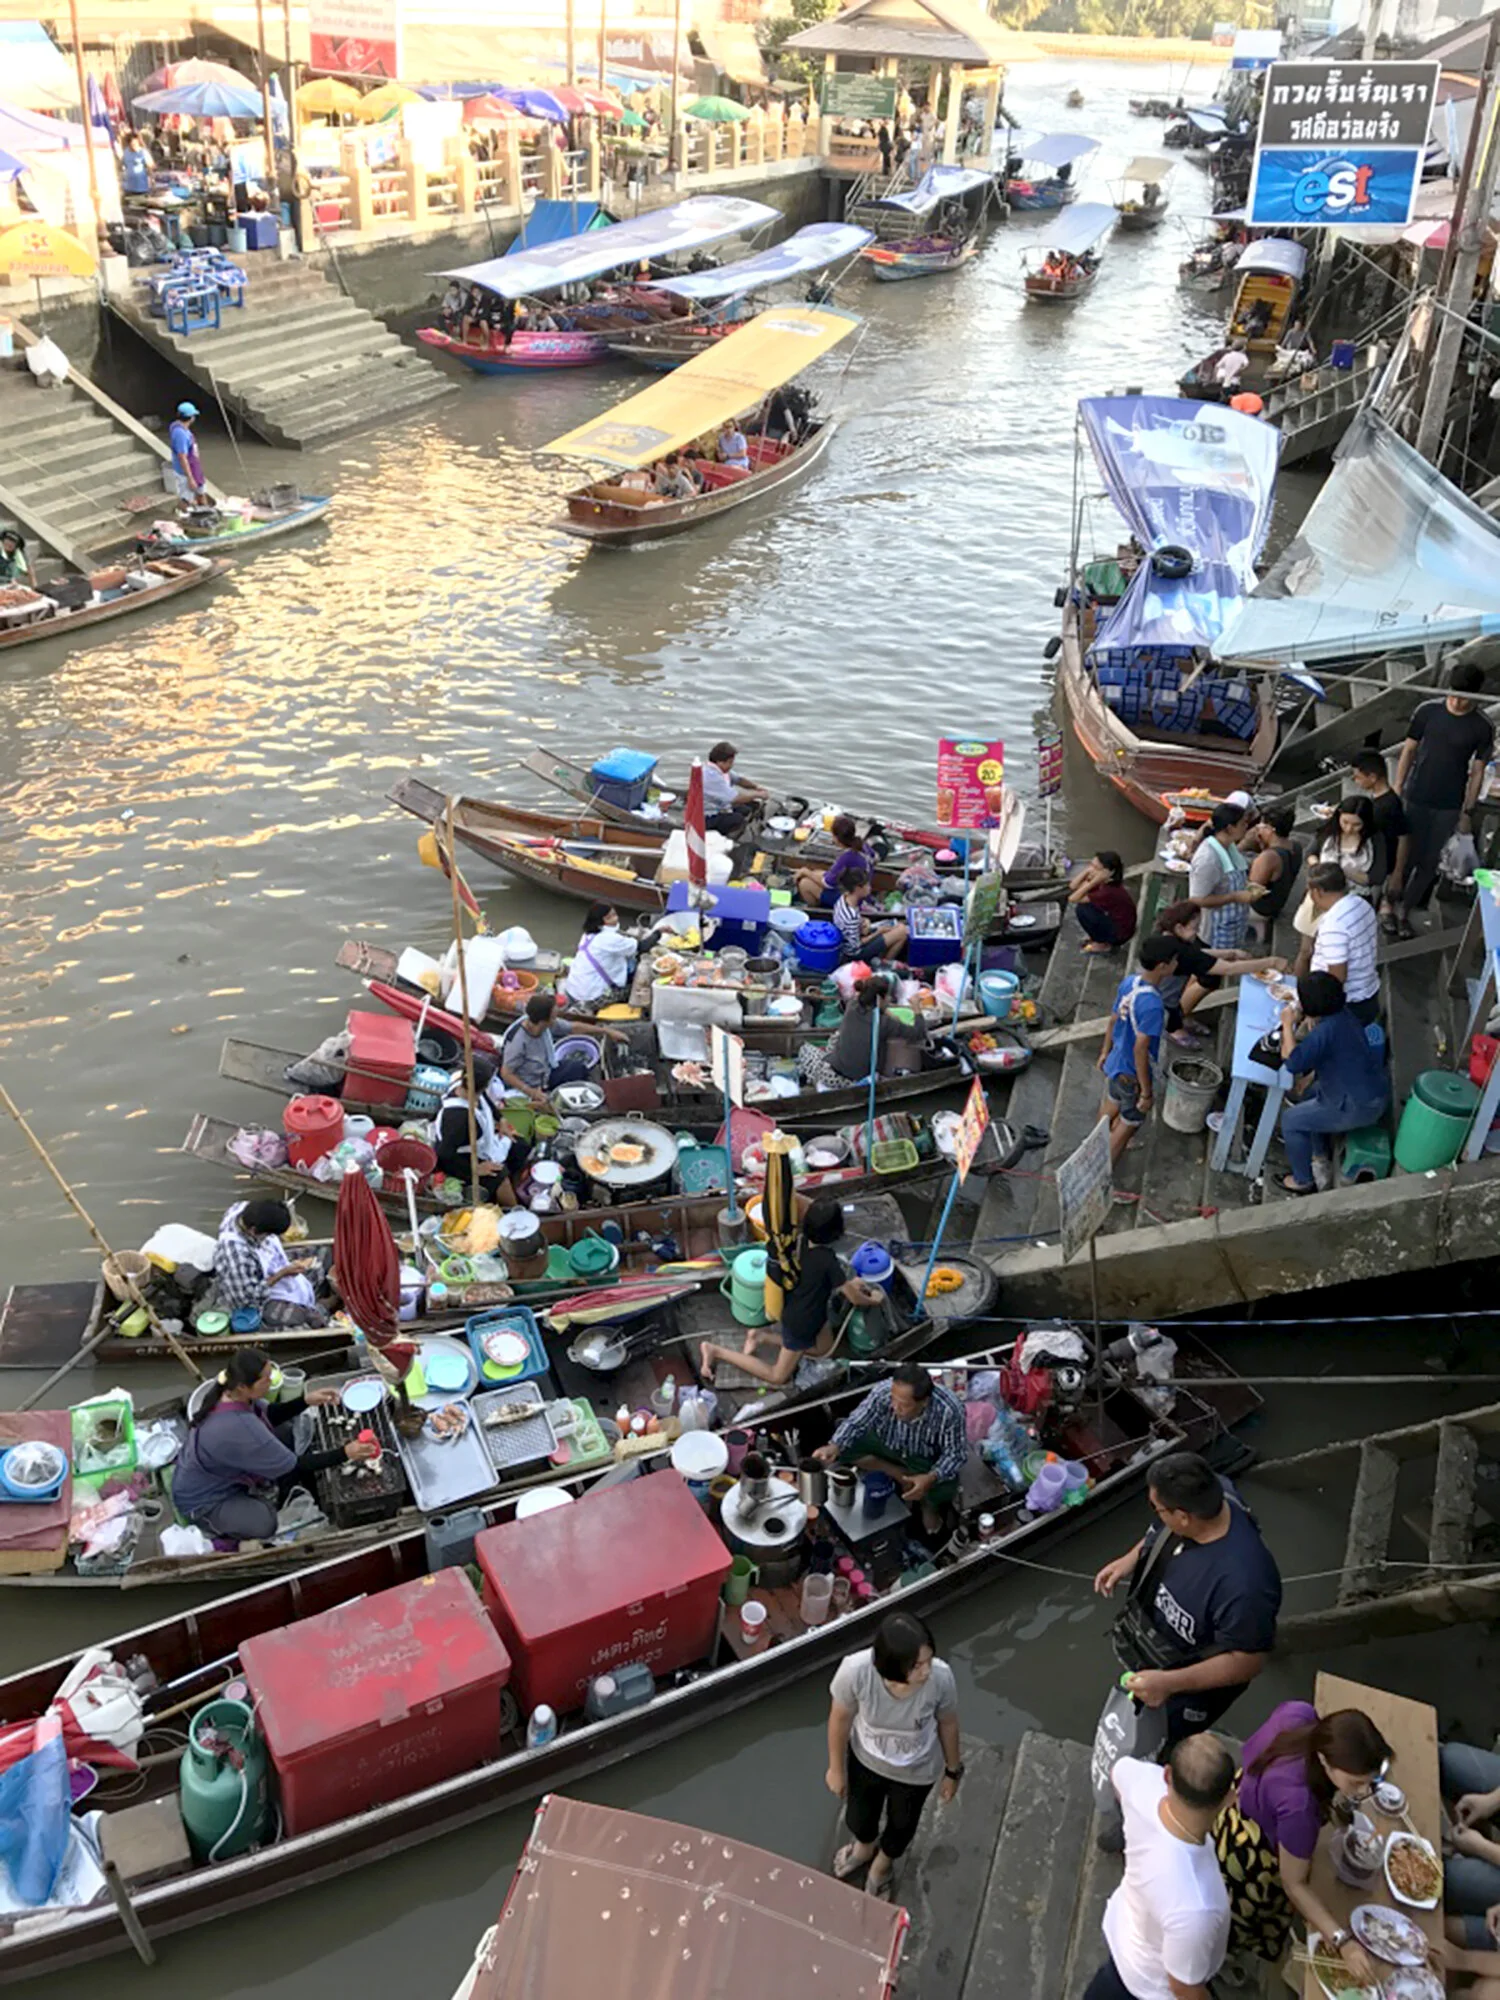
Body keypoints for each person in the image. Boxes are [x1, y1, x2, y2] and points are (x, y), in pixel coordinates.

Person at [1092, 1453, 1281, 1847]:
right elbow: (1153, 1534)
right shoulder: (1204, 1500)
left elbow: (1248, 1661)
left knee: (1163, 1752)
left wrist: (1170, 1684)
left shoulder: (1246, 1584)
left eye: (1158, 1508)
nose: (1155, 1514)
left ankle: (1148, 1822)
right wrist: (1130, 1561)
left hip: (1186, 1686)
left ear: (1183, 1518)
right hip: (1150, 1654)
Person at [1215, 1700, 1388, 1979]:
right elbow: (1293, 1884)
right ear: (1323, 1760)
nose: (1363, 1790)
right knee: (1234, 1921)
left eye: (1369, 1782)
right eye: (1356, 1783)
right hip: (1253, 1861)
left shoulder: (1300, 1714)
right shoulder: (1299, 1808)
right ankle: (1219, 1959)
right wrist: (1342, 1942)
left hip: (1236, 1810)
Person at [171, 1347, 378, 1543]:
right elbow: (295, 1465)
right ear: (244, 1386)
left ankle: (267, 1488)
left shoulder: (230, 1392)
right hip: (202, 1499)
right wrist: (345, 1453)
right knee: (266, 1523)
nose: (270, 1383)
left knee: (285, 1432)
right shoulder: (240, 1428)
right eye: (265, 1379)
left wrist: (306, 1401)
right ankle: (219, 1529)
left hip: (210, 1469)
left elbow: (270, 1414)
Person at [1086, 1734, 1234, 2000]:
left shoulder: (1143, 1785)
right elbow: (1184, 1988)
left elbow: (1117, 1772)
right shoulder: (1198, 1905)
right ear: (1228, 1800)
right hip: (1150, 1989)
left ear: (1167, 1776)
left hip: (1125, 1939)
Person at [826, 1612, 962, 1900]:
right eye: (916, 1666)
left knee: (902, 1826)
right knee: (860, 1817)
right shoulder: (855, 1672)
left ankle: (882, 1866)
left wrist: (952, 1770)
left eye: (928, 1661)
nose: (926, 1671)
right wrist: (835, 1768)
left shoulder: (941, 1678)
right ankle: (863, 1848)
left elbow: (948, 1722)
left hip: (917, 1772)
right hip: (866, 1762)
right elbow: (839, 1719)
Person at [698, 1194, 881, 1388]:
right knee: (778, 1376)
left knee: (824, 1349)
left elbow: (801, 1202)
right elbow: (854, 1298)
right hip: (801, 1322)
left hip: (804, 1307)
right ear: (835, 1231)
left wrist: (853, 1282)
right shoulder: (828, 1260)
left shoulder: (797, 1241)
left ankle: (762, 1336)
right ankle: (716, 1351)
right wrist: (875, 1300)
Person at [1386, 662, 1494, 939]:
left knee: (1430, 861)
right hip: (1416, 794)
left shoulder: (1482, 727)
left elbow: (1478, 771)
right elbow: (1409, 750)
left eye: (1464, 697)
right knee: (1403, 854)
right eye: (1454, 694)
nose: (1457, 702)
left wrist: (1467, 810)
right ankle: (1388, 904)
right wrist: (1398, 787)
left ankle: (1405, 910)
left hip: (1449, 803)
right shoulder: (1428, 711)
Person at [1276, 971, 1390, 1194]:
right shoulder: (1345, 1015)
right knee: (1307, 1094)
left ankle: (1303, 1181)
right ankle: (1319, 1155)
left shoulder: (1325, 1033)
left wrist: (1287, 1024)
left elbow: (1292, 1062)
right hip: (1370, 1089)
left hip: (1357, 1107)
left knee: (1290, 1120)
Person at [814, 1362, 967, 1528]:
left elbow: (955, 1454)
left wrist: (930, 1478)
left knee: (944, 1486)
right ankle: (898, 1474)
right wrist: (834, 1446)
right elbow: (857, 1422)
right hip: (884, 1442)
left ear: (924, 1402)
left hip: (921, 1456)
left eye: (903, 1404)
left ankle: (927, 1505)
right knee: (844, 1446)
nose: (895, 1407)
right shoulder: (883, 1391)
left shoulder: (950, 1411)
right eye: (893, 1399)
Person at [1151, 901, 1285, 1047]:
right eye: (1195, 928)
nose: (1197, 931)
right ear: (1179, 927)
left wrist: (1230, 953)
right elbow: (1228, 969)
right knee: (1170, 1012)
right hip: (1164, 1003)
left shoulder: (1168, 939)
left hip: (1163, 994)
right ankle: (1172, 1030)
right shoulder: (1181, 954)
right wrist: (1271, 962)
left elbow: (1197, 953)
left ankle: (1177, 1022)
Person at [1098, 936, 1180, 1164]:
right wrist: (1146, 1092)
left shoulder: (1130, 983)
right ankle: (1104, 1170)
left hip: (1116, 1062)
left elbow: (1114, 1019)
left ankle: (1095, 1142)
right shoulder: (1153, 1005)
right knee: (1128, 1123)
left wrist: (1105, 1051)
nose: (1177, 964)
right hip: (1132, 1074)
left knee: (1112, 1101)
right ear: (1163, 967)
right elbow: (1141, 1049)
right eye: (1174, 961)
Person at [214, 1198, 328, 1330]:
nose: (269, 1237)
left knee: (324, 1253)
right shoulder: (237, 1256)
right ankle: (324, 1306)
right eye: (268, 1234)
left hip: (267, 1262)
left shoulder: (242, 1208)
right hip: (253, 1295)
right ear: (253, 1231)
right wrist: (282, 1274)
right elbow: (247, 1299)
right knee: (306, 1319)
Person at [800, 973, 926, 1089]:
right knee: (826, 1044)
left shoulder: (852, 1005)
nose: (889, 999)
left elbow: (875, 1006)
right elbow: (919, 1032)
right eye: (887, 996)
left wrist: (885, 1009)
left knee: (806, 1048)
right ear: (879, 999)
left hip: (840, 1071)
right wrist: (916, 1008)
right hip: (849, 1078)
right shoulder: (884, 1023)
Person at [1296, 862, 1381, 1026]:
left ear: (1318, 892)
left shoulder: (1334, 924)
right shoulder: (1361, 903)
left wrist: (1315, 1011)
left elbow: (1336, 978)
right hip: (1368, 991)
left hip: (1347, 1005)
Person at [430, 1052, 522, 1203]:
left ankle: (517, 1182)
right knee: (500, 1178)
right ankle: (513, 1209)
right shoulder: (458, 1120)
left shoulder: (470, 1088)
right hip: (457, 1161)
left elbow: (485, 1098)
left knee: (520, 1145)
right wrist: (476, 1168)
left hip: (480, 1143)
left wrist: (501, 1119)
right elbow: (443, 1154)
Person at [1187, 801, 1263, 951]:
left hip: (1234, 925)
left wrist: (1248, 887)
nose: (1247, 827)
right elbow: (1196, 898)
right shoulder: (1208, 859)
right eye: (1243, 823)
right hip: (1213, 932)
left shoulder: (1229, 846)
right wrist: (1234, 897)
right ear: (1230, 828)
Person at [498, 992, 593, 1106]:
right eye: (553, 1017)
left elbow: (573, 1027)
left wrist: (608, 1031)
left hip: (546, 1072)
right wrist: (531, 1092)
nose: (556, 1020)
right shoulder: (517, 1041)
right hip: (529, 1083)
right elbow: (506, 1074)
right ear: (543, 1022)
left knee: (579, 1069)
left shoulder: (543, 1026)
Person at [1349, 750, 1406, 922]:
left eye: (1358, 776)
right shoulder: (1381, 801)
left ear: (1372, 777)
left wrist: (1397, 873)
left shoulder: (1387, 806)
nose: (1355, 780)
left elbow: (1403, 837)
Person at [560, 902, 637, 1011]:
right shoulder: (610, 939)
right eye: (613, 915)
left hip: (573, 990)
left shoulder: (587, 935)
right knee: (634, 988)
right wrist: (658, 933)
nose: (617, 918)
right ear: (605, 920)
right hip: (592, 997)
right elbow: (641, 946)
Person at [1244, 803, 1302, 932]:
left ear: (1270, 829)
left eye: (1261, 826)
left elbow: (1251, 892)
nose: (1258, 829)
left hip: (1262, 908)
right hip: (1278, 902)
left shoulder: (1268, 857)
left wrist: (1244, 843)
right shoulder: (1296, 846)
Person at [831, 868, 909, 964]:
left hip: (859, 933)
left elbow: (855, 925)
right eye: (867, 885)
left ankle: (883, 956)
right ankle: (884, 964)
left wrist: (864, 922)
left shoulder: (843, 898)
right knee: (902, 932)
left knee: (898, 926)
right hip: (856, 953)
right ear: (858, 888)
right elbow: (856, 947)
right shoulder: (850, 916)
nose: (869, 887)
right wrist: (878, 932)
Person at [795, 813, 874, 908]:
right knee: (817, 873)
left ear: (836, 838)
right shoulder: (863, 844)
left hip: (854, 899)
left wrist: (805, 871)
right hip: (862, 888)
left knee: (805, 884)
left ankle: (816, 908)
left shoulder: (847, 857)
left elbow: (827, 884)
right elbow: (874, 857)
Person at [1069, 851, 1138, 953]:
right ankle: (1099, 937)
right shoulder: (1105, 882)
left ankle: (1102, 943)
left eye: (1097, 868)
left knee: (1082, 910)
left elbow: (1073, 898)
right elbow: (1073, 886)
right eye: (1091, 865)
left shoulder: (1108, 890)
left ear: (1109, 872)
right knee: (1086, 907)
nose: (1092, 870)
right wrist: (1088, 871)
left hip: (1120, 934)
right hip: (1117, 922)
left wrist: (1093, 882)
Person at [701, 740, 767, 836]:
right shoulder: (711, 776)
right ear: (720, 762)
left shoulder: (720, 770)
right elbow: (735, 799)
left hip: (720, 805)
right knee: (737, 819)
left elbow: (738, 779)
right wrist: (758, 795)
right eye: (730, 762)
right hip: (707, 815)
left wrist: (756, 787)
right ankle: (725, 837)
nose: (732, 765)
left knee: (748, 808)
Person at [1316, 794, 1377, 895]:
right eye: (1345, 822)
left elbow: (1376, 877)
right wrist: (1318, 869)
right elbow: (1311, 853)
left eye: (1356, 825)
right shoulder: (1330, 830)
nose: (1349, 829)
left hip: (1355, 893)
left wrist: (1343, 870)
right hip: (1322, 888)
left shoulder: (1374, 840)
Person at [168, 401, 207, 504]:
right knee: (186, 500)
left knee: (201, 493)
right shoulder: (180, 434)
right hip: (185, 472)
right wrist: (190, 478)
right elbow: (182, 457)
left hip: (194, 467)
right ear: (191, 418)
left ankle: (204, 512)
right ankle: (186, 516)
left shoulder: (180, 428)